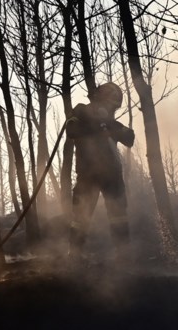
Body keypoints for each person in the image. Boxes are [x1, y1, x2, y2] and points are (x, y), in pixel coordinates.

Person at [66, 82, 135, 255]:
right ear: (100, 99)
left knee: (119, 216)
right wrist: (96, 127)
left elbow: (129, 138)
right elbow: (71, 129)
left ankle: (123, 255)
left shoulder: (112, 123)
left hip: (112, 175)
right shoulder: (81, 111)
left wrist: (110, 126)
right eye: (110, 104)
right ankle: (75, 255)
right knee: (81, 217)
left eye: (114, 107)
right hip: (88, 174)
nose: (112, 109)